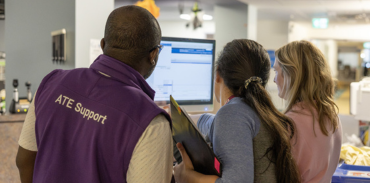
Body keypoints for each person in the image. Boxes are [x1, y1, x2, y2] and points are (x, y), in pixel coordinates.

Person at [15, 6, 173, 183]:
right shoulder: (150, 121)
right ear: (154, 55)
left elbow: (24, 161)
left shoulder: (51, 82)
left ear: (103, 44)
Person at [174, 39, 301, 183]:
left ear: (217, 74)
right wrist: (177, 117)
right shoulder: (258, 111)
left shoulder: (233, 113)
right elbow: (211, 123)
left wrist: (187, 177)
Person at [273, 40, 342, 183]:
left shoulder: (290, 123)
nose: (274, 80)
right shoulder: (331, 115)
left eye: (276, 71)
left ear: (290, 76)